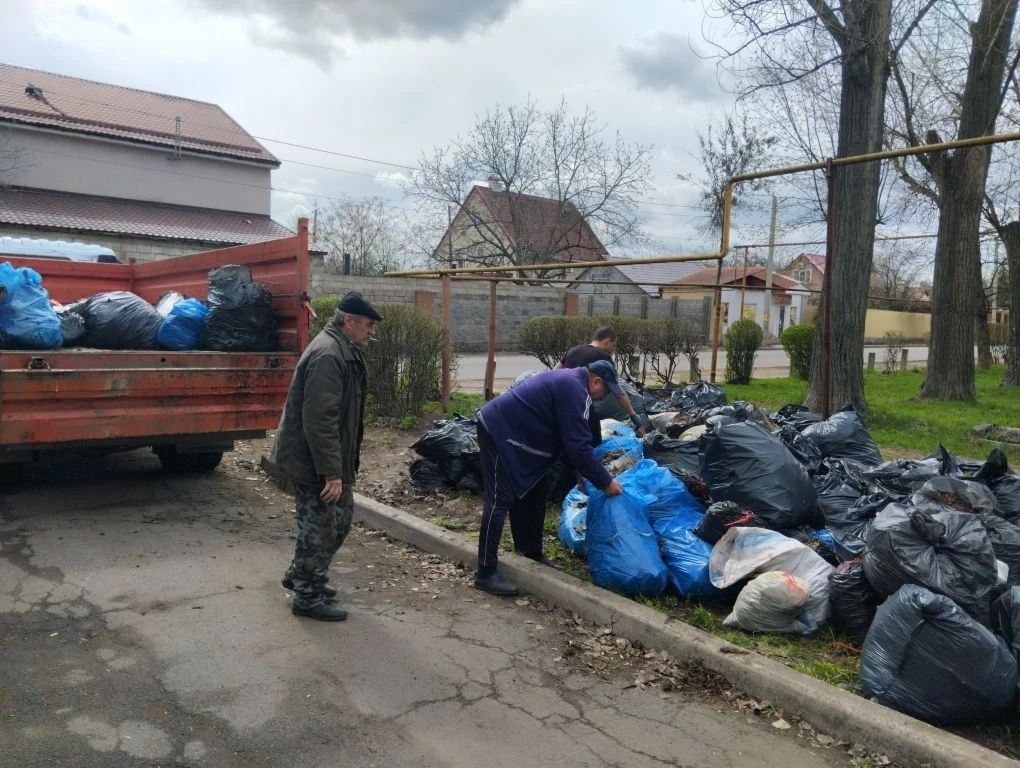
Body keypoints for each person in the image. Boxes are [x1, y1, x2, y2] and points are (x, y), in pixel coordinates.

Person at [270, 290, 382, 622]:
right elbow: (320, 420)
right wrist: (332, 473)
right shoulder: (329, 355)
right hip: (313, 462)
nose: (370, 332)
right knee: (320, 527)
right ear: (349, 321)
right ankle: (306, 596)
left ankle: (301, 575)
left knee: (338, 521)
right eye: (368, 325)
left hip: (322, 459)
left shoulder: (343, 349)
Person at [473, 360, 624, 596]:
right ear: (596, 382)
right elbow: (578, 446)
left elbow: (569, 437)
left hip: (517, 435)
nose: (604, 397)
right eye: (606, 391)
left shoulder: (572, 383)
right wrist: (606, 482)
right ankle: (484, 572)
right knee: (499, 499)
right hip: (498, 430)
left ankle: (530, 551)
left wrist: (580, 472)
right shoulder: (575, 390)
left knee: (536, 488)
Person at [555, 326, 648, 438]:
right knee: (591, 436)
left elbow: (555, 372)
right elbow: (619, 393)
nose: (612, 349)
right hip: (584, 403)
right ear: (607, 341)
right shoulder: (603, 358)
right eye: (613, 345)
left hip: (563, 401)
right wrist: (633, 416)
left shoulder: (573, 350)